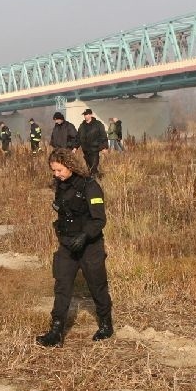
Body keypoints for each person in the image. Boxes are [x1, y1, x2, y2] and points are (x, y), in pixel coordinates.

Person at [36, 148, 113, 347]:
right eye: (53, 171)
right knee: (62, 286)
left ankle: (106, 324)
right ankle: (56, 332)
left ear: (70, 166)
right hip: (68, 245)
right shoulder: (61, 186)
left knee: (97, 285)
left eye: (59, 170)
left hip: (90, 245)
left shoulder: (91, 186)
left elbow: (99, 220)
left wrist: (85, 235)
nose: (56, 175)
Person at [77, 109, 108, 177]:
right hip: (85, 150)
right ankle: (98, 178)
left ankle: (95, 182)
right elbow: (78, 137)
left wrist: (104, 147)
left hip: (95, 150)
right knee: (90, 169)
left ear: (91, 115)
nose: (85, 116)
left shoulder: (98, 124)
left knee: (93, 168)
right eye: (85, 115)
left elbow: (103, 136)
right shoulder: (82, 126)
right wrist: (75, 147)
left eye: (87, 114)